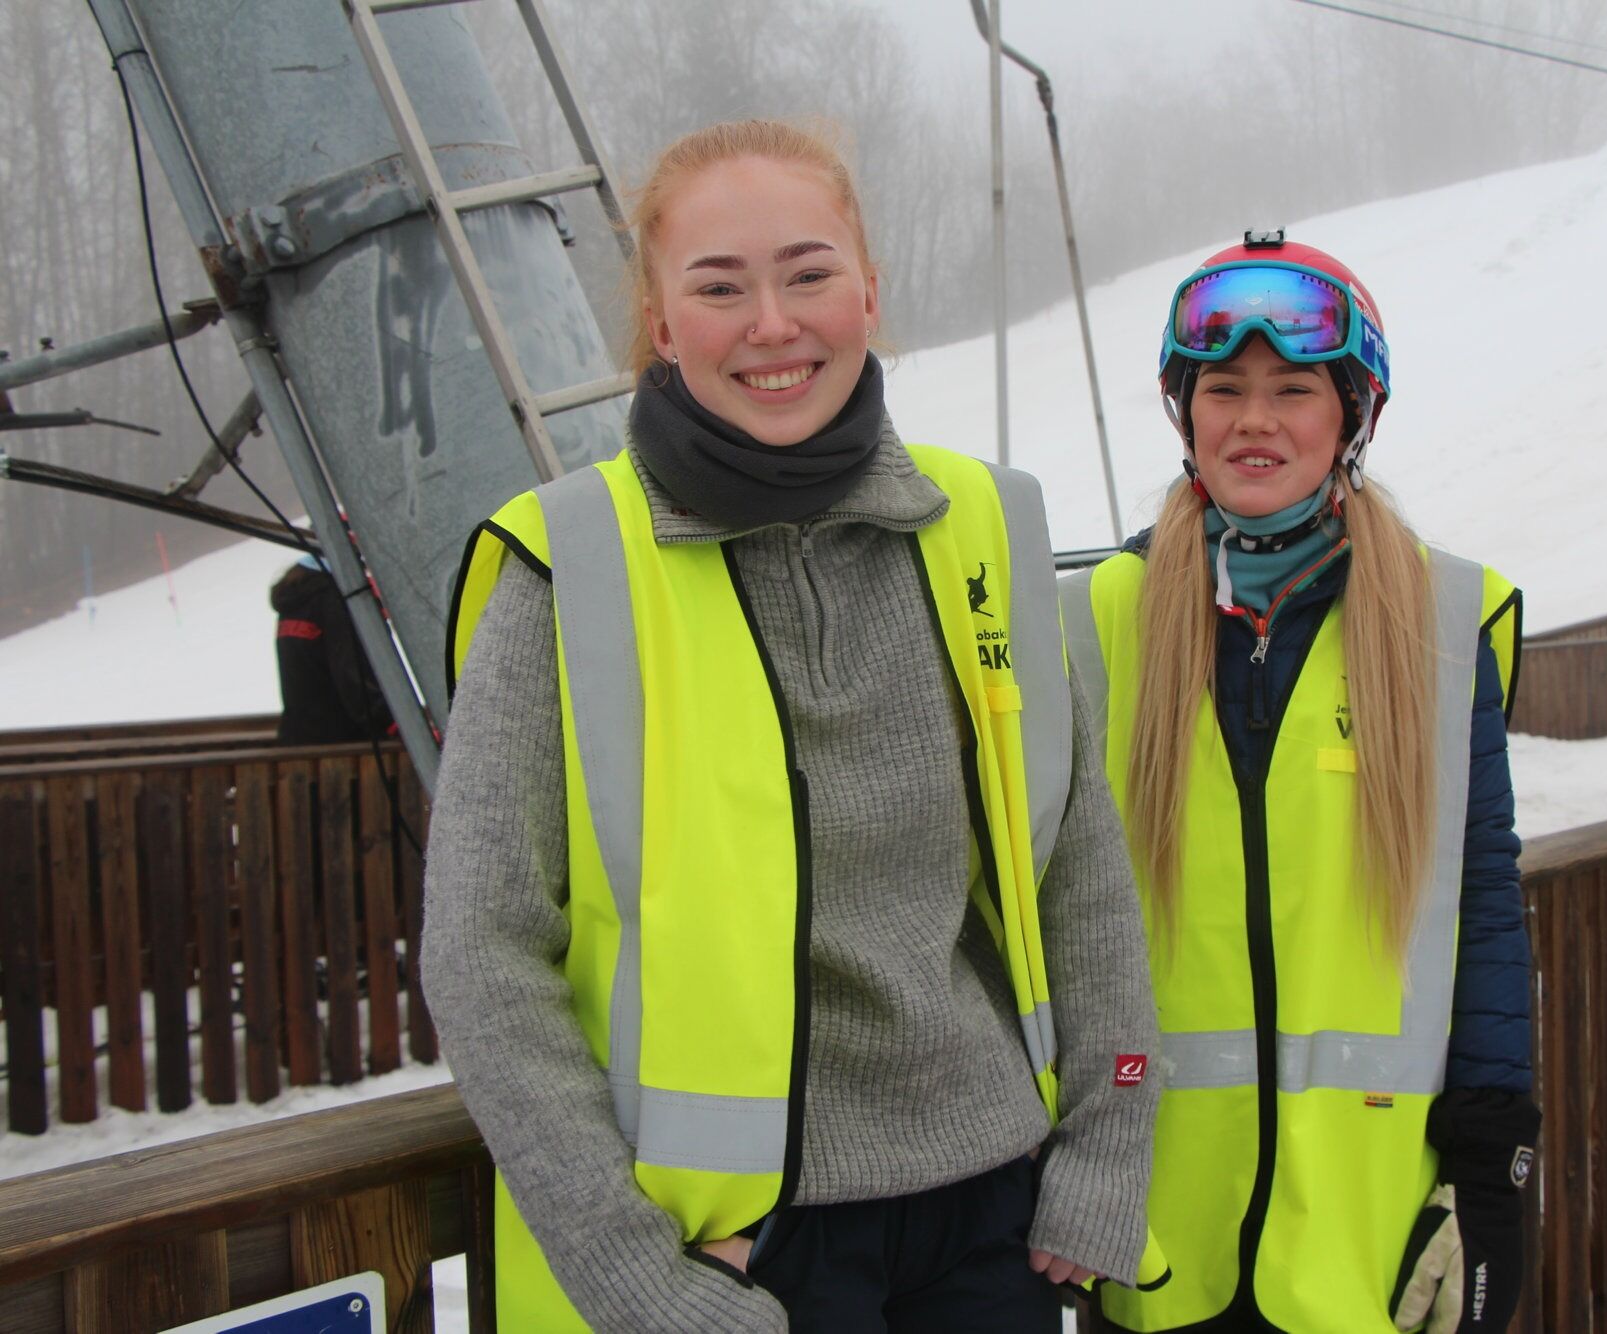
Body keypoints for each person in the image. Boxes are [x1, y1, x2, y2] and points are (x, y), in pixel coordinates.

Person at [425, 119, 1164, 1332]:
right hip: (732, 1247)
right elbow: (482, 951)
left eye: (808, 273)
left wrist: (1104, 1150)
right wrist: (632, 1277)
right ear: (661, 325)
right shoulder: (565, 567)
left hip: (988, 1217)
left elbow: (1075, 862)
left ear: (867, 292)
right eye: (719, 288)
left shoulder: (981, 522)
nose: (772, 323)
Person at [1061, 232, 1538, 1332]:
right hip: (1144, 1232)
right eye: (1222, 389)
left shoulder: (1436, 625)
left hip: (1359, 1231)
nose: (1254, 420)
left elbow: (1480, 901)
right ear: (1187, 416)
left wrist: (1488, 1165)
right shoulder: (1098, 621)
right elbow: (1045, 916)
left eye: (1292, 390)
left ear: (1351, 415)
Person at [268, 554, 393, 745]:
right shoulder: (335, 599)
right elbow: (352, 675)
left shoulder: (299, 592)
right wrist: (390, 723)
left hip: (301, 738)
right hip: (345, 743)